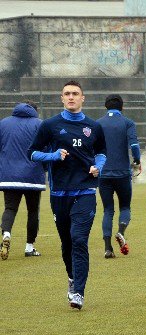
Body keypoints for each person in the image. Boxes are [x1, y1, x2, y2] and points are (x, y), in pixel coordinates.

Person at [28, 80, 106, 310]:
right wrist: (52, 156)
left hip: (85, 190)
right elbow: (32, 153)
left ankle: (78, 293)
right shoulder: (50, 125)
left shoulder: (94, 126)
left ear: (83, 98)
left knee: (79, 239)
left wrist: (98, 166)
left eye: (75, 94)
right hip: (60, 192)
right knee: (67, 242)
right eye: (67, 94)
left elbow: (101, 153)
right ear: (61, 98)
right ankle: (72, 278)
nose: (71, 97)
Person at [96, 94, 141, 259]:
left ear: (105, 106)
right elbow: (134, 145)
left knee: (108, 210)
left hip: (103, 173)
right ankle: (121, 231)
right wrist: (136, 160)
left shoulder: (98, 123)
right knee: (125, 207)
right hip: (122, 172)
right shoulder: (127, 122)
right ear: (122, 107)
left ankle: (108, 249)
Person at [0, 101, 43, 260]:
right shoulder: (39, 124)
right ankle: (29, 247)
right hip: (33, 176)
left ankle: (6, 234)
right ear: (35, 111)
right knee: (33, 211)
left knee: (10, 208)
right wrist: (44, 168)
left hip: (9, 176)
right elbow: (45, 149)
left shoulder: (3, 123)